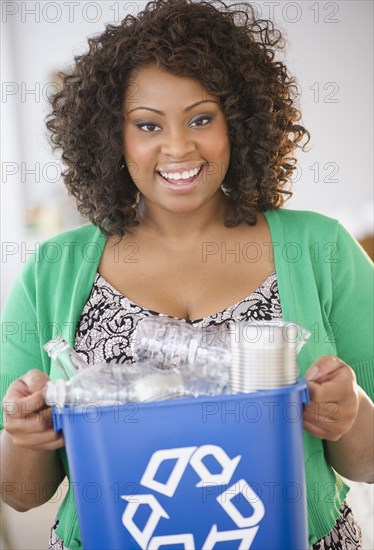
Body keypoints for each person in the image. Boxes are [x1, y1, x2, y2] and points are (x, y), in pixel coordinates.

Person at [1, 0, 373, 548]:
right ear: (113, 137)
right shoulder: (53, 270)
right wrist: (27, 434)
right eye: (147, 125)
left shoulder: (321, 249)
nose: (177, 147)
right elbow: (20, 493)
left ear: (240, 122)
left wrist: (350, 411)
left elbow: (369, 462)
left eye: (202, 118)